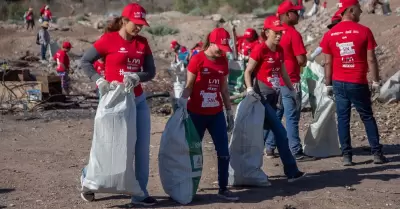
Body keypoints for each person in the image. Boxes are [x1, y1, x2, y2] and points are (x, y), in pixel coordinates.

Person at [79, 3, 158, 206]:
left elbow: (150, 71)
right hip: (114, 101)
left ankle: (140, 193)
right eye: (135, 23)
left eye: (142, 24)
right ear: (124, 20)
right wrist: (98, 79)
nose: (139, 28)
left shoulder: (142, 43)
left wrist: (137, 76)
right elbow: (85, 61)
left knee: (141, 147)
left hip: (137, 99)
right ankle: (88, 181)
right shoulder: (109, 40)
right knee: (109, 144)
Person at [321, 0, 387, 166]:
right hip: (357, 81)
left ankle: (347, 157)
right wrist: (376, 82)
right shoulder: (364, 31)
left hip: (338, 82)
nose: (361, 12)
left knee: (343, 118)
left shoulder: (330, 34)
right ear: (350, 10)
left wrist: (328, 84)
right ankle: (377, 154)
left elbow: (327, 62)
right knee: (367, 116)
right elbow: (371, 59)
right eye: (358, 9)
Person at [177, 28, 238, 201]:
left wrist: (228, 111)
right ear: (211, 43)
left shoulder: (223, 61)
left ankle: (223, 188)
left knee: (223, 151)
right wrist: (182, 103)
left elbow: (224, 89)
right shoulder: (197, 59)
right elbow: (189, 85)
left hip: (216, 114)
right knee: (192, 151)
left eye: (224, 48)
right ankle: (187, 187)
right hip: (196, 114)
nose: (221, 51)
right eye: (220, 47)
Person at [244, 15, 306, 182]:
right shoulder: (259, 49)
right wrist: (250, 89)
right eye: (276, 33)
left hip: (274, 97)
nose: (279, 36)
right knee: (280, 132)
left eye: (281, 33)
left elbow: (283, 72)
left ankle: (248, 169)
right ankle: (291, 171)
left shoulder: (279, 50)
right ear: (266, 32)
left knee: (261, 135)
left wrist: (291, 90)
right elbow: (248, 71)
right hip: (262, 98)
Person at [265, 1, 315, 161]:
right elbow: (301, 60)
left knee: (278, 114)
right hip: (290, 80)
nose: (298, 14)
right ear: (287, 14)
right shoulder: (293, 34)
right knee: (292, 116)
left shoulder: (274, 34)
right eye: (295, 12)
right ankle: (296, 150)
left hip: (275, 81)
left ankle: (270, 147)